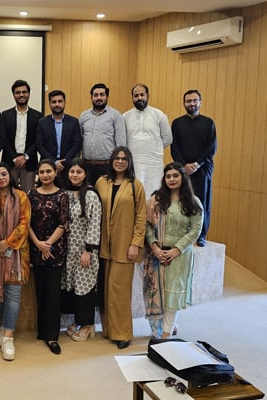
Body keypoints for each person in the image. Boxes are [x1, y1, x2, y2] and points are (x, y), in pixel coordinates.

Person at [95, 147, 147, 349]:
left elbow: (141, 217)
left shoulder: (136, 185)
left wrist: (135, 243)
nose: (120, 161)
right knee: (106, 290)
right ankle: (109, 330)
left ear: (130, 162)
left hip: (125, 247)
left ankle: (123, 333)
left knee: (120, 291)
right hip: (104, 246)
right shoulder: (102, 182)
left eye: (124, 159)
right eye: (117, 158)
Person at [144, 162, 203, 339]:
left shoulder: (192, 202)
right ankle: (158, 329)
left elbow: (196, 229)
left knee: (171, 297)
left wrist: (177, 249)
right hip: (157, 255)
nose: (171, 179)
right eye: (168, 176)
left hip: (179, 257)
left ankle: (166, 335)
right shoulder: (157, 200)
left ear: (183, 177)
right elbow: (147, 226)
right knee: (155, 294)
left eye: (175, 176)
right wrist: (154, 247)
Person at [0, 162, 30, 361]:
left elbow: (24, 223)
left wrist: (8, 243)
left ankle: (8, 336)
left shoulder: (21, 196)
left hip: (16, 254)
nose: (1, 178)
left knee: (13, 295)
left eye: (4, 174)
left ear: (9, 175)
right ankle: (2, 328)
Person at [28, 159, 69, 354]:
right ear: (38, 174)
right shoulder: (31, 195)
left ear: (54, 173)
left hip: (55, 250)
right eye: (42, 171)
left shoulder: (62, 195)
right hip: (36, 249)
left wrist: (48, 244)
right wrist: (38, 244)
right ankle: (42, 331)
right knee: (40, 291)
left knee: (53, 293)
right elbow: (26, 222)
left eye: (48, 171)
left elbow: (63, 223)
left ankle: (52, 336)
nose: (45, 175)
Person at [61, 158, 101, 342]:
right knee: (73, 288)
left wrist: (89, 250)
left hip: (84, 250)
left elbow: (95, 223)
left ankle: (87, 325)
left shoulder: (91, 195)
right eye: (72, 171)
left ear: (85, 174)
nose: (74, 175)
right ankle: (78, 320)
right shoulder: (66, 193)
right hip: (68, 250)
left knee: (85, 288)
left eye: (78, 172)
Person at [170, 89, 217, 247]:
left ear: (200, 102)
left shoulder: (208, 123)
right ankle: (183, 232)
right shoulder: (177, 123)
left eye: (195, 100)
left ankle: (201, 235)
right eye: (188, 101)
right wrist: (184, 165)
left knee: (201, 201)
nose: (192, 103)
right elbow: (174, 147)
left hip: (202, 169)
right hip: (182, 169)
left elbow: (211, 148)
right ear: (184, 103)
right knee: (182, 200)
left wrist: (197, 164)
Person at [123, 83, 172, 197]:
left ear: (148, 96)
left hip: (154, 163)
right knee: (134, 194)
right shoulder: (125, 117)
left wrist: (152, 147)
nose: (139, 98)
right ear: (132, 98)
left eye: (142, 95)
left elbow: (168, 138)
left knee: (154, 196)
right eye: (136, 95)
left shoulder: (159, 115)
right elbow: (123, 140)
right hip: (134, 162)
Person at [79, 83, 127, 185]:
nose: (99, 98)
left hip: (107, 166)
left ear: (107, 97)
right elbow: (79, 141)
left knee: (105, 198)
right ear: (91, 97)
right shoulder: (84, 116)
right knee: (88, 196)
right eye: (95, 95)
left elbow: (121, 143)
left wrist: (119, 164)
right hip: (87, 166)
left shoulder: (115, 116)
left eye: (102, 95)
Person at [1, 80, 43, 192]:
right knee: (9, 194)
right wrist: (14, 158)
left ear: (29, 94)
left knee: (28, 195)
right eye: (18, 92)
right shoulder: (5, 115)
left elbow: (38, 140)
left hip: (29, 163)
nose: (21, 95)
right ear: (13, 95)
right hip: (10, 162)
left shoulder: (38, 116)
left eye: (24, 92)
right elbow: (2, 139)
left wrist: (26, 156)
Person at [36, 90, 82, 188]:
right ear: (49, 103)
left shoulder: (73, 122)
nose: (57, 104)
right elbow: (40, 145)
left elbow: (77, 144)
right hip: (48, 167)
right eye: (54, 102)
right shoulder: (42, 123)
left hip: (68, 167)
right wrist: (54, 162)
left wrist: (64, 162)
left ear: (64, 103)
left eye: (60, 101)